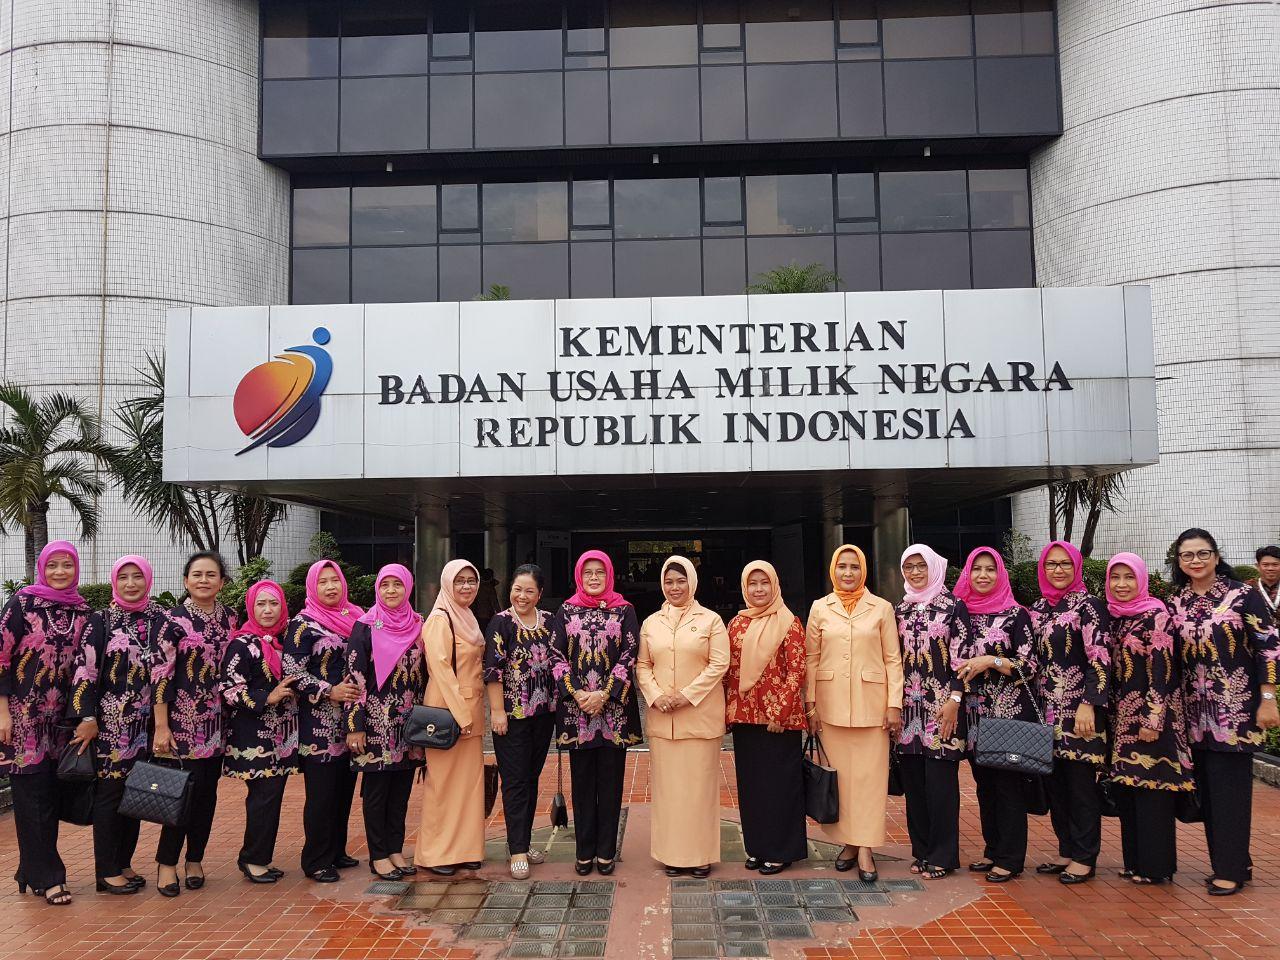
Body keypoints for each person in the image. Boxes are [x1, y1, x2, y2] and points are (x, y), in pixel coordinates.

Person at [1167, 528, 1279, 896]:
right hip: (1191, 713)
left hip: (1234, 712)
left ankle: (1229, 870)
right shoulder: (1176, 602)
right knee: (1208, 793)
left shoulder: (1243, 595)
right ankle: (1233, 861)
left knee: (1230, 792)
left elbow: (1268, 647)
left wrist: (1268, 697)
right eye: (1187, 555)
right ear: (1179, 562)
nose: (1195, 561)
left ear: (1216, 556)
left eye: (1203, 553)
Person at [67, 555, 168, 894]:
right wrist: (87, 717)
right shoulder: (101, 621)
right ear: (114, 581)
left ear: (148, 579)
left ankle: (124, 862)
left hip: (147, 724)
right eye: (123, 577)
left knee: (135, 793)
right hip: (110, 727)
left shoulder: (160, 619)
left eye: (137, 576)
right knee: (110, 795)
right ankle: (107, 871)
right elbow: (85, 670)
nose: (130, 583)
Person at [0, 541, 93, 906]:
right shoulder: (22, 604)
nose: (59, 572)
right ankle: (51, 878)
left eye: (66, 565)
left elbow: (89, 666)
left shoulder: (83, 611)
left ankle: (30, 869)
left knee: (51, 797)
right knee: (32, 796)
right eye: (52, 565)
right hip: (23, 720)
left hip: (63, 723)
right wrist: (2, 712)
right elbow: (1, 656)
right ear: (42, 568)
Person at [805, 544, 902, 882]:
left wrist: (894, 704)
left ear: (864, 570)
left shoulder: (882, 608)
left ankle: (865, 849)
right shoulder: (820, 607)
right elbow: (811, 659)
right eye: (842, 566)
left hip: (872, 707)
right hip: (830, 708)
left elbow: (893, 659)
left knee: (869, 782)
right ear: (833, 569)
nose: (848, 572)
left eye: (854, 566)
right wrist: (810, 705)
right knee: (842, 782)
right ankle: (848, 842)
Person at [549, 550, 643, 876]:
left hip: (613, 711)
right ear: (579, 575)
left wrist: (604, 693)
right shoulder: (566, 610)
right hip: (578, 713)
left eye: (599, 572)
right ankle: (584, 851)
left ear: (609, 575)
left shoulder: (624, 610)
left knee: (611, 783)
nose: (593, 577)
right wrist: (578, 693)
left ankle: (606, 852)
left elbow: (631, 652)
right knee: (582, 783)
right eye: (587, 572)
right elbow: (555, 654)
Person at [638, 556, 730, 878]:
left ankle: (700, 855)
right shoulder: (651, 623)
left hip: (700, 718)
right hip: (664, 720)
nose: (675, 587)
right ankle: (672, 855)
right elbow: (643, 665)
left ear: (692, 582)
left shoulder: (711, 621)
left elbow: (719, 664)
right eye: (669, 581)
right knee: (669, 793)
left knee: (699, 791)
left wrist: (686, 695)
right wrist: (656, 695)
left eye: (681, 581)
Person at [1105, 552, 1194, 885]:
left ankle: (1156, 867)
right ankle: (1134, 862)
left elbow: (1163, 670)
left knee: (1153, 789)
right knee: (1128, 788)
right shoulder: (1115, 616)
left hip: (1151, 718)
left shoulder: (1156, 615)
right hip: (1120, 719)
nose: (1122, 584)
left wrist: (1153, 717)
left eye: (1129, 577)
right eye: (1115, 578)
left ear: (1141, 580)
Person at [152, 550, 237, 897]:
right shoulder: (171, 620)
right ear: (186, 581)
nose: (204, 580)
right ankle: (166, 863)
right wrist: (161, 726)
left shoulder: (231, 618)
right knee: (181, 794)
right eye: (197, 574)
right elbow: (160, 675)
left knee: (207, 796)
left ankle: (195, 859)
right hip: (182, 724)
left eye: (211, 574)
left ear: (222, 581)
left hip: (219, 723)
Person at [953, 548, 1040, 883]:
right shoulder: (961, 612)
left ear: (1000, 574)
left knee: (1007, 786)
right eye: (977, 569)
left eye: (990, 569)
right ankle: (993, 849)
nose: (983, 575)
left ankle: (1010, 857)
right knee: (984, 785)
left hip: (1007, 716)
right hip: (974, 715)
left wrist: (992, 661)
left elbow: (1029, 665)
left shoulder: (1016, 615)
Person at [1028, 540, 1111, 885]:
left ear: (1076, 567)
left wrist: (1090, 703)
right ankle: (1066, 850)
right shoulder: (1037, 608)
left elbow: (1099, 657)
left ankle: (1084, 856)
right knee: (1056, 786)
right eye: (1051, 564)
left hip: (1079, 712)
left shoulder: (1089, 606)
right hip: (1045, 711)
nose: (1058, 570)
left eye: (1065, 563)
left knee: (1080, 786)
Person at [723, 560, 807, 875]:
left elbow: (797, 670)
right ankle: (758, 847)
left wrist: (780, 712)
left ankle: (781, 850)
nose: (759, 589)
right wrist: (727, 712)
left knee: (780, 786)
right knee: (753, 787)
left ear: (775, 585)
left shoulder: (789, 622)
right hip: (745, 717)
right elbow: (729, 672)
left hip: (777, 721)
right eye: (753, 583)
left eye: (764, 583)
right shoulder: (736, 624)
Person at [282, 559, 364, 883]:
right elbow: (292, 673)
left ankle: (336, 850)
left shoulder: (357, 617)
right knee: (321, 795)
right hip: (318, 726)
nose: (330, 587)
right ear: (312, 587)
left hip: (351, 721)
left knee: (343, 791)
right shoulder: (303, 624)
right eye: (323, 582)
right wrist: (330, 690)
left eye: (335, 580)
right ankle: (316, 859)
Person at [894, 544, 972, 880]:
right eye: (908, 567)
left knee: (941, 784)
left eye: (921, 566)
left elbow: (963, 657)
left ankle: (943, 855)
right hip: (908, 709)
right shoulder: (900, 609)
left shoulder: (954, 607)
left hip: (942, 708)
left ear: (934, 567)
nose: (915, 572)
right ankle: (922, 850)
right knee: (914, 785)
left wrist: (955, 699)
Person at [345, 564, 426, 881]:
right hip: (376, 723)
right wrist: (355, 725)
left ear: (408, 587)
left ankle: (395, 849)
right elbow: (354, 679)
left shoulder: (418, 624)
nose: (391, 591)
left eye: (397, 584)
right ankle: (378, 855)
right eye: (385, 585)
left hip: (409, 724)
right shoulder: (364, 627)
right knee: (377, 792)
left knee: (401, 791)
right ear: (377, 589)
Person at [221, 580, 300, 883]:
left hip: (283, 735)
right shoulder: (242, 644)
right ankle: (252, 859)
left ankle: (261, 858)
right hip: (253, 734)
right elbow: (229, 689)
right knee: (263, 797)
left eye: (274, 603)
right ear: (251, 608)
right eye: (261, 604)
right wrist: (267, 697)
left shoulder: (286, 641)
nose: (268, 610)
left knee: (272, 796)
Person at [485, 563, 557, 880]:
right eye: (517, 589)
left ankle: (524, 844)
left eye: (529, 591)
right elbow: (493, 670)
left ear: (539, 594)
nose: (522, 596)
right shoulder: (501, 622)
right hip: (511, 717)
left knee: (531, 779)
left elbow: (560, 663)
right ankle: (516, 851)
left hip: (543, 715)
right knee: (514, 782)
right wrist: (497, 711)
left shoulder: (551, 622)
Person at [417, 560, 487, 876]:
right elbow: (441, 670)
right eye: (459, 581)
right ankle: (436, 854)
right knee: (443, 786)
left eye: (471, 580)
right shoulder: (439, 620)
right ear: (447, 584)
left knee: (468, 786)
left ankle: (467, 849)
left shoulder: (467, 617)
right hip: (447, 714)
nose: (466, 586)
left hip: (471, 712)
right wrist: (461, 715)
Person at [1252, 545, 1280, 628]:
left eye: (1275, 564)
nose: (1270, 568)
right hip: (1259, 633)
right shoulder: (1248, 589)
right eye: (1265, 565)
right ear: (1257, 566)